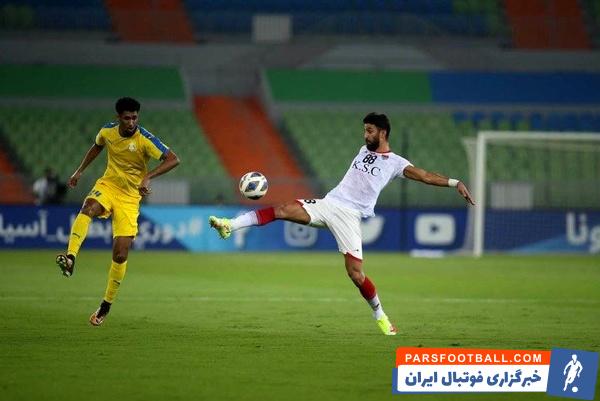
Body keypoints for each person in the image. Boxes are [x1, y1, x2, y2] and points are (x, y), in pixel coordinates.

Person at [209, 112, 474, 336]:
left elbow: (425, 175)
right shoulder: (363, 150)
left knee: (356, 275)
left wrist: (454, 183)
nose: (365, 135)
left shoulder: (396, 163)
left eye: (369, 131)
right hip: (328, 203)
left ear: (383, 133)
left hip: (349, 216)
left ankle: (380, 315)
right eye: (364, 130)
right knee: (281, 210)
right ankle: (229, 225)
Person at [55, 97, 180, 326]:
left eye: (135, 117)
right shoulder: (108, 131)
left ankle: (106, 304)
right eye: (127, 118)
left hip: (130, 198)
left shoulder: (145, 139)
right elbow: (97, 146)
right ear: (118, 117)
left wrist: (148, 176)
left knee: (120, 254)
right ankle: (71, 257)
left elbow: (173, 159)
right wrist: (79, 171)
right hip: (108, 186)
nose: (131, 122)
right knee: (88, 207)